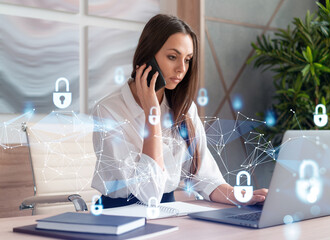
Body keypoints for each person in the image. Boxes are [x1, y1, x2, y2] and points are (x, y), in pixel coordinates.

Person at [91, 14, 267, 208]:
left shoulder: (184, 108)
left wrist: (241, 196)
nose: (181, 69)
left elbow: (205, 178)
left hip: (166, 211)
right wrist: (153, 115)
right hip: (119, 216)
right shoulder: (107, 111)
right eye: (172, 57)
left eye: (188, 59)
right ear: (148, 55)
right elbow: (149, 193)